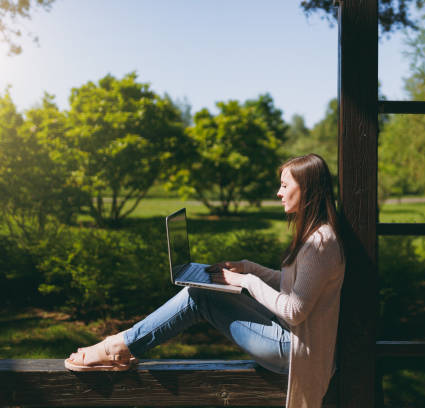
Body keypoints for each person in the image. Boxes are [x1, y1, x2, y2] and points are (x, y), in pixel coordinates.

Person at [64, 153, 346, 408]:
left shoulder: (320, 243)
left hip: (294, 351)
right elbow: (291, 285)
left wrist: (246, 280)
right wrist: (249, 268)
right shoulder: (316, 235)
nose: (278, 192)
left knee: (199, 296)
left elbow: (295, 311)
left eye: (285, 186)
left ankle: (117, 346)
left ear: (307, 189)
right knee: (204, 290)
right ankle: (121, 344)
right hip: (291, 338)